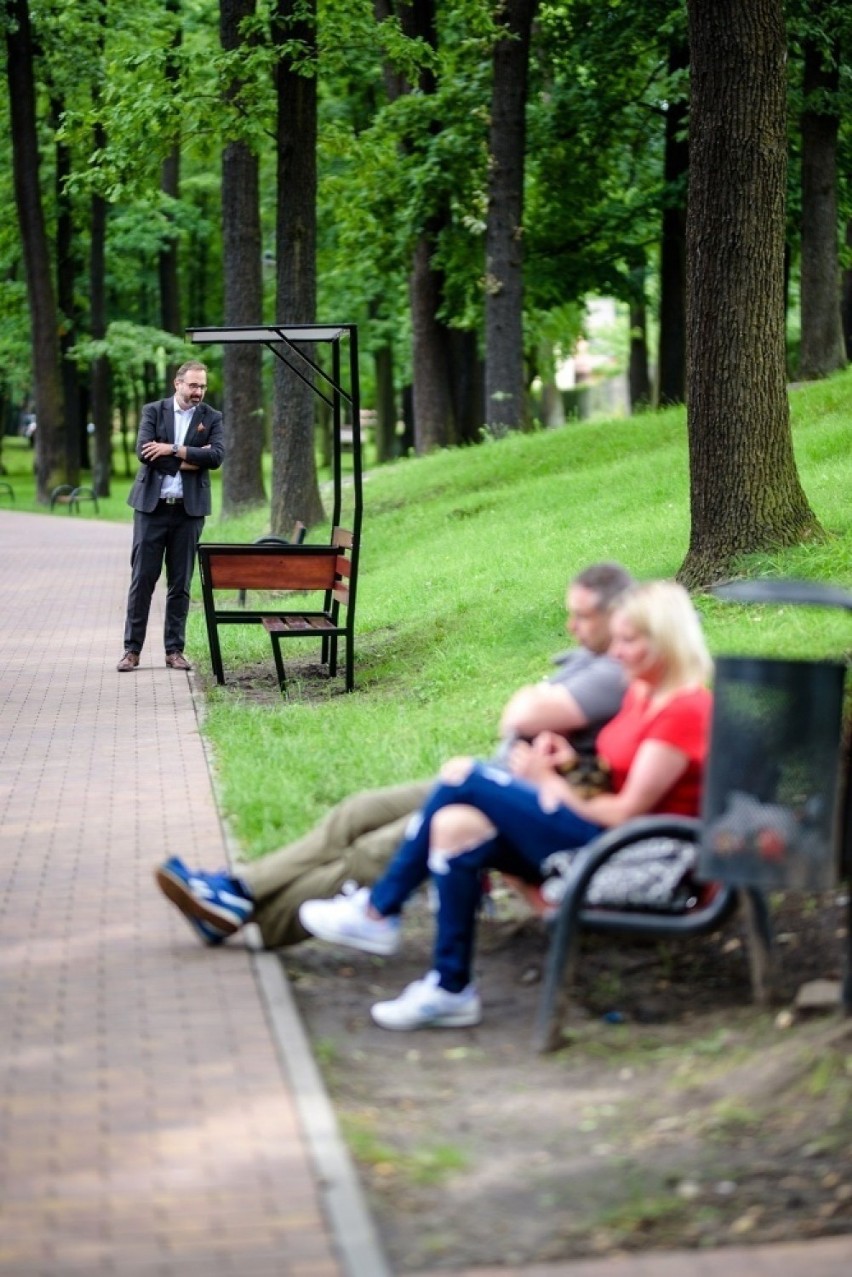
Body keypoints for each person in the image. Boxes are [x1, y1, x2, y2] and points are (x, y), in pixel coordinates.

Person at [298, 579, 714, 1031]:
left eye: (629, 641)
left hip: (634, 853)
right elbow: (616, 779)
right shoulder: (643, 692)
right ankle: (450, 987)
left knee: (465, 776)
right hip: (604, 835)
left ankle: (379, 910)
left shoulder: (683, 711)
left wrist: (547, 782)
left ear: (666, 641)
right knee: (455, 826)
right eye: (616, 638)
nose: (615, 652)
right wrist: (572, 764)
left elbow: (627, 813)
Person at [153, 562, 635, 947]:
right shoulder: (590, 660)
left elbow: (519, 717)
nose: (570, 625)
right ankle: (238, 893)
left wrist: (530, 703)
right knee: (356, 812)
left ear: (616, 617)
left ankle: (251, 910)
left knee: (374, 851)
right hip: (492, 784)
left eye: (583, 616)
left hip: (516, 806)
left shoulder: (613, 673)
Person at [116, 360, 224, 672]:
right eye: (193, 385)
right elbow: (144, 453)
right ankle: (131, 651)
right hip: (152, 509)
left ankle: (174, 650)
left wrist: (172, 449)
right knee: (142, 580)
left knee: (180, 583)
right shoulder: (154, 411)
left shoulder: (211, 417)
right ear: (177, 384)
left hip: (189, 513)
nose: (198, 392)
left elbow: (215, 457)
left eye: (202, 386)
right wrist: (192, 459)